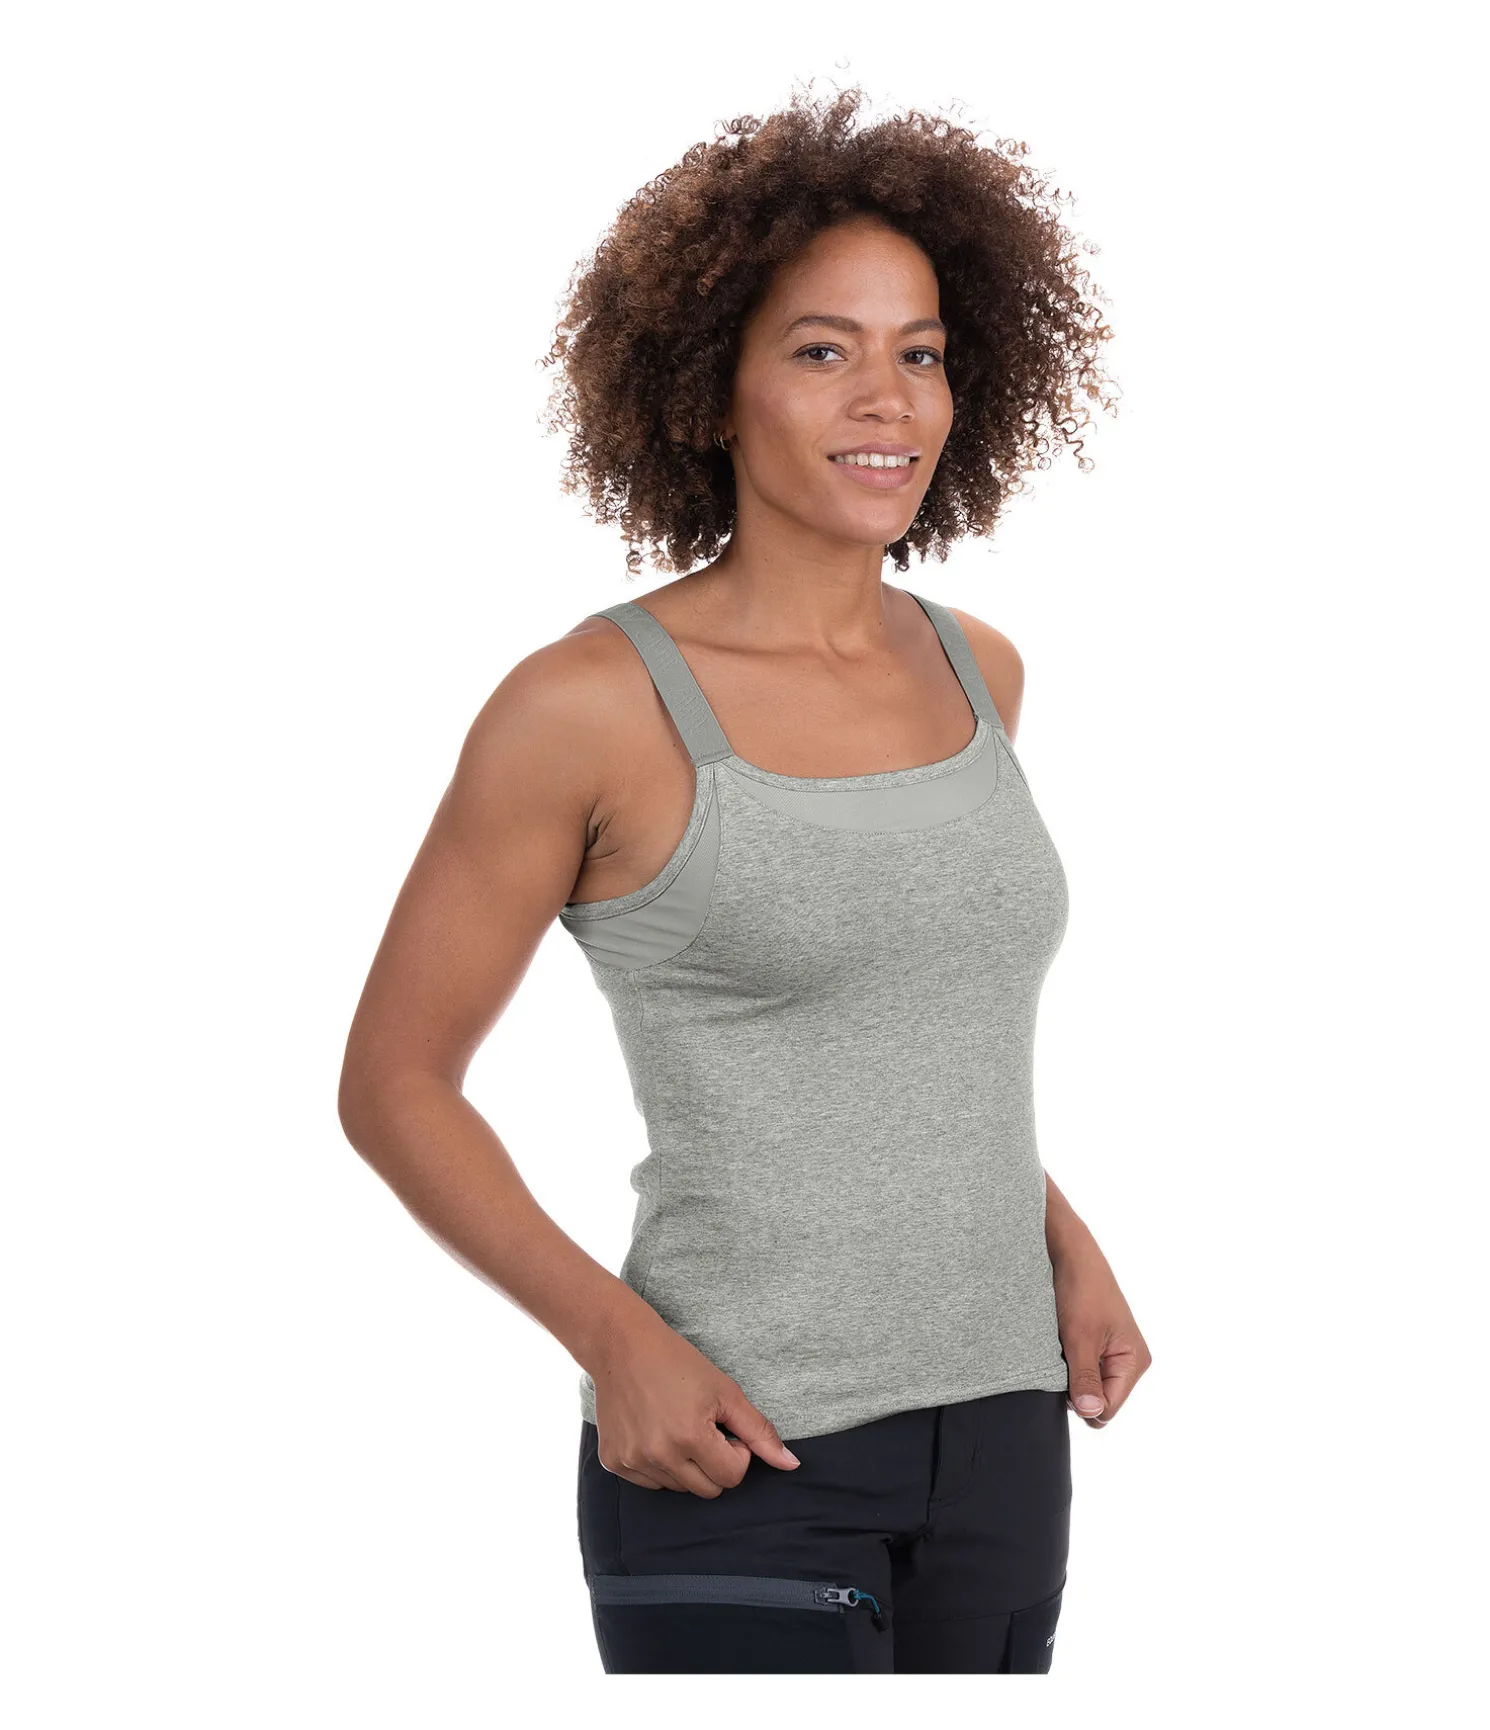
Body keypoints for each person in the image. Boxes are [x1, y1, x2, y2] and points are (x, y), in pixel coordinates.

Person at [338, 84, 1151, 1675]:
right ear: (710, 387)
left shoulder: (977, 669)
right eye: (821, 350)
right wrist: (613, 1338)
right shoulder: (587, 707)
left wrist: (1054, 1236)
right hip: (735, 1446)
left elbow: (902, 1036)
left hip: (1002, 1433)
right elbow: (393, 1083)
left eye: (920, 351)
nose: (887, 398)